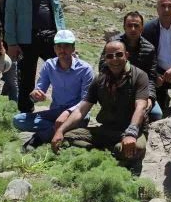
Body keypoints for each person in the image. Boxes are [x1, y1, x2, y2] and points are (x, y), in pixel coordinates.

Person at [52, 40, 150, 171]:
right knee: (67, 138)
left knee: (135, 148)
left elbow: (141, 107)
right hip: (107, 129)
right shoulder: (100, 80)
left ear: (126, 55)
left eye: (119, 54)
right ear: (105, 58)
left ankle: (109, 154)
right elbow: (81, 110)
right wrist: (60, 130)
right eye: (109, 56)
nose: (114, 59)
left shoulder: (139, 76)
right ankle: (106, 154)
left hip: (132, 131)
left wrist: (131, 133)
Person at [5, 0, 66, 113]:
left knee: (62, 70)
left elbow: (59, 14)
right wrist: (11, 43)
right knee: (26, 77)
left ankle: (63, 107)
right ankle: (26, 112)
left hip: (50, 38)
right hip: (27, 39)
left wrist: (64, 38)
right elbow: (9, 16)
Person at [12, 30, 92, 150]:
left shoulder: (85, 69)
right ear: (54, 49)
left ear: (73, 48)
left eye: (66, 46)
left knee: (80, 119)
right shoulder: (49, 65)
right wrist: (35, 95)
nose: (62, 50)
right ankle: (63, 131)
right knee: (18, 120)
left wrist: (67, 113)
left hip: (77, 113)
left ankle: (39, 137)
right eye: (59, 46)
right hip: (56, 112)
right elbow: (39, 90)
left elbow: (85, 101)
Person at [101, 11, 160, 120]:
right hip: (116, 89)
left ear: (142, 28)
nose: (133, 29)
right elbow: (103, 68)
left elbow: (151, 78)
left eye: (136, 26)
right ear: (124, 27)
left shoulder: (149, 49)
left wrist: (150, 97)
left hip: (140, 90)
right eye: (129, 25)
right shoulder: (113, 44)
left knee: (156, 114)